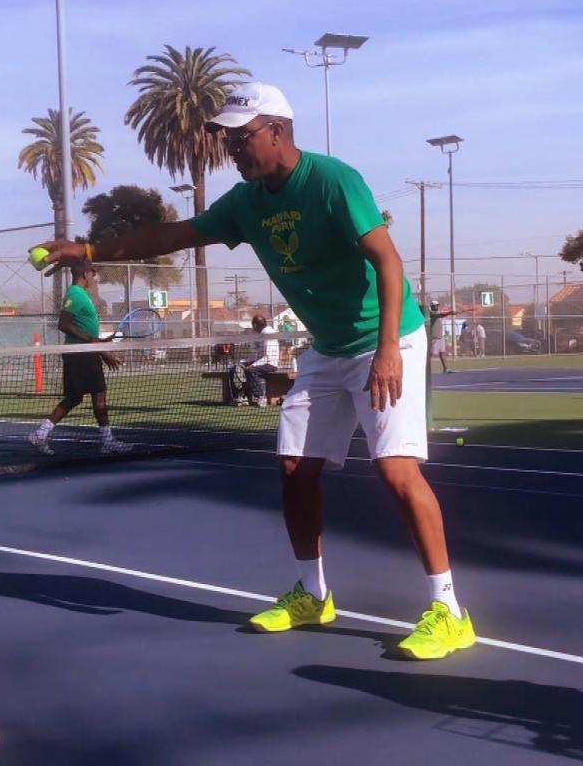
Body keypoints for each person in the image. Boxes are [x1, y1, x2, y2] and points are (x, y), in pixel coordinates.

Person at [36, 81, 475, 659]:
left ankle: (448, 611)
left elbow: (388, 262)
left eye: (240, 139)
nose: (231, 152)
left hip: (385, 338)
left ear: (277, 131)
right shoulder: (246, 203)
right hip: (328, 345)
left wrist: (390, 347)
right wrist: (89, 251)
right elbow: (175, 234)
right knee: (295, 467)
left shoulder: (333, 181)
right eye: (225, 142)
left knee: (396, 472)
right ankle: (312, 595)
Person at [28, 261, 130, 456]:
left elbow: (84, 330)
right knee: (90, 397)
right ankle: (42, 434)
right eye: (93, 273)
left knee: (86, 397)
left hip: (85, 352)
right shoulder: (75, 294)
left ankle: (41, 434)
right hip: (79, 354)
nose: (94, 276)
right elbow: (63, 324)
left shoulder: (81, 295)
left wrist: (101, 350)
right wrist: (92, 341)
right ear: (85, 273)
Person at [228, 313, 280, 406]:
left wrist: (252, 365)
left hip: (270, 364)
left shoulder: (268, 334)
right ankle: (241, 397)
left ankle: (260, 397)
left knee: (251, 371)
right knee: (234, 369)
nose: (253, 328)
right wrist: (243, 362)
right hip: (260, 362)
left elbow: (267, 357)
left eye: (253, 326)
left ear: (255, 325)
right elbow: (256, 355)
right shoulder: (260, 335)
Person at [429, 300, 455, 372]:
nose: (437, 306)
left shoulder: (438, 312)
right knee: (430, 354)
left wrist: (450, 313)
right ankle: (425, 370)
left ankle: (445, 368)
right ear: (432, 306)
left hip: (440, 336)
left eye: (437, 305)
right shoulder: (431, 313)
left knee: (442, 353)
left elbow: (442, 313)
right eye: (435, 305)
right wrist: (449, 313)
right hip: (434, 337)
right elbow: (439, 315)